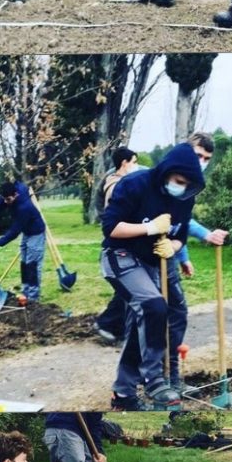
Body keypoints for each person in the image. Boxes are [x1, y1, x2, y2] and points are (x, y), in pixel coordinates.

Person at [101, 142, 206, 411]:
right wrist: (148, 228)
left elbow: (179, 236)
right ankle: (153, 379)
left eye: (187, 184)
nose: (181, 187)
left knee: (150, 320)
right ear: (166, 172)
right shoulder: (135, 184)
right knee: (152, 306)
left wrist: (172, 246)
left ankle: (123, 395)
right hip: (119, 256)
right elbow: (111, 228)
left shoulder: (184, 197)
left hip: (151, 263)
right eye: (178, 181)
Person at [94, 147, 140, 343]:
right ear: (125, 163)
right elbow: (114, 218)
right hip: (119, 246)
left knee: (126, 290)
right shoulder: (116, 186)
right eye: (134, 161)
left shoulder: (117, 181)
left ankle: (113, 325)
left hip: (127, 245)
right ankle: (107, 324)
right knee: (128, 291)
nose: (136, 166)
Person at [0, 180, 46, 300]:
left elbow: (14, 232)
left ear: (16, 195)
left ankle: (33, 298)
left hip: (36, 233)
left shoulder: (24, 207)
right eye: (3, 199)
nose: (5, 202)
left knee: (32, 265)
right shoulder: (8, 194)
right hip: (27, 232)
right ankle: (26, 292)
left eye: (8, 200)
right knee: (24, 263)